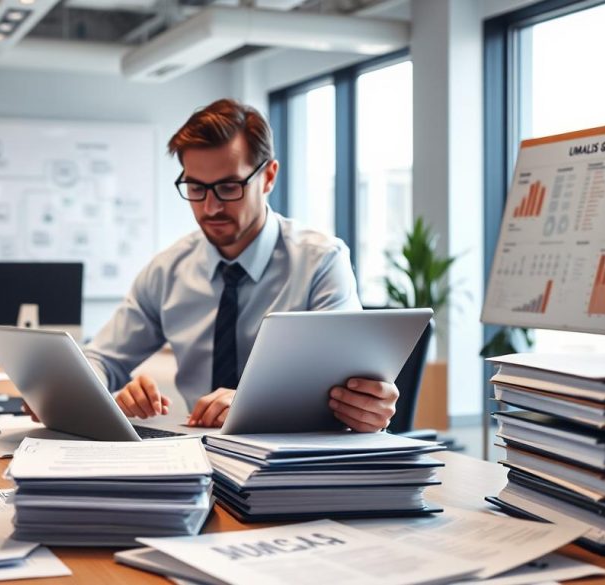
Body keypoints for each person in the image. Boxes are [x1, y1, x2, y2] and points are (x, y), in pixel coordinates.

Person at [83, 98, 398, 432]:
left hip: (294, 453)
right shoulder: (167, 271)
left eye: (229, 187)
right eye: (195, 188)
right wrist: (74, 386)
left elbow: (346, 384)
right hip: (198, 455)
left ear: (269, 177)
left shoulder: (320, 262)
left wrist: (258, 402)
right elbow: (101, 360)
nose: (211, 207)